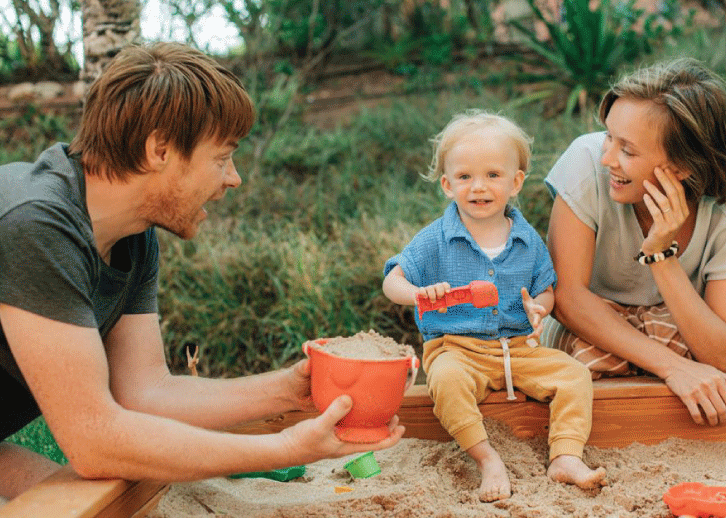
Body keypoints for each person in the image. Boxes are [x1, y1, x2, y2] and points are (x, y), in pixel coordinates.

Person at [0, 42, 403, 501]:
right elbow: (95, 441)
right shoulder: (35, 223)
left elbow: (144, 394)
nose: (233, 178)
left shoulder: (133, 235)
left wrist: (290, 391)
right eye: (220, 158)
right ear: (160, 149)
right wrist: (285, 447)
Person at [383, 110, 606, 503]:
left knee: (574, 375)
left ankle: (566, 456)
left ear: (515, 182)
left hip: (518, 348)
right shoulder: (435, 240)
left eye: (492, 175)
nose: (478, 187)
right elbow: (392, 281)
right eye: (465, 177)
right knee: (447, 381)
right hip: (456, 347)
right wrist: (417, 294)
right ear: (447, 185)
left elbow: (546, 288)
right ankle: (487, 459)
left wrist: (539, 308)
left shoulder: (527, 239)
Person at [541, 58, 726, 427]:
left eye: (627, 150)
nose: (606, 158)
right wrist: (675, 368)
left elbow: (720, 353)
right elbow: (567, 299)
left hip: (672, 335)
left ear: (682, 167)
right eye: (608, 136)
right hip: (589, 334)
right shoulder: (585, 160)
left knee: (673, 339)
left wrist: (661, 255)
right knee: (590, 355)